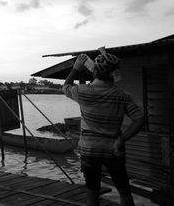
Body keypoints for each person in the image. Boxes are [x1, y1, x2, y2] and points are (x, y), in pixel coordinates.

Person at [62, 53, 145, 206]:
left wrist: (75, 69)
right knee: (124, 191)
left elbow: (65, 87)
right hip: (114, 150)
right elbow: (139, 119)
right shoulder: (122, 96)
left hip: (89, 150)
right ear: (114, 73)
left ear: (94, 71)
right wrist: (121, 139)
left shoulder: (82, 91)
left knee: (92, 193)